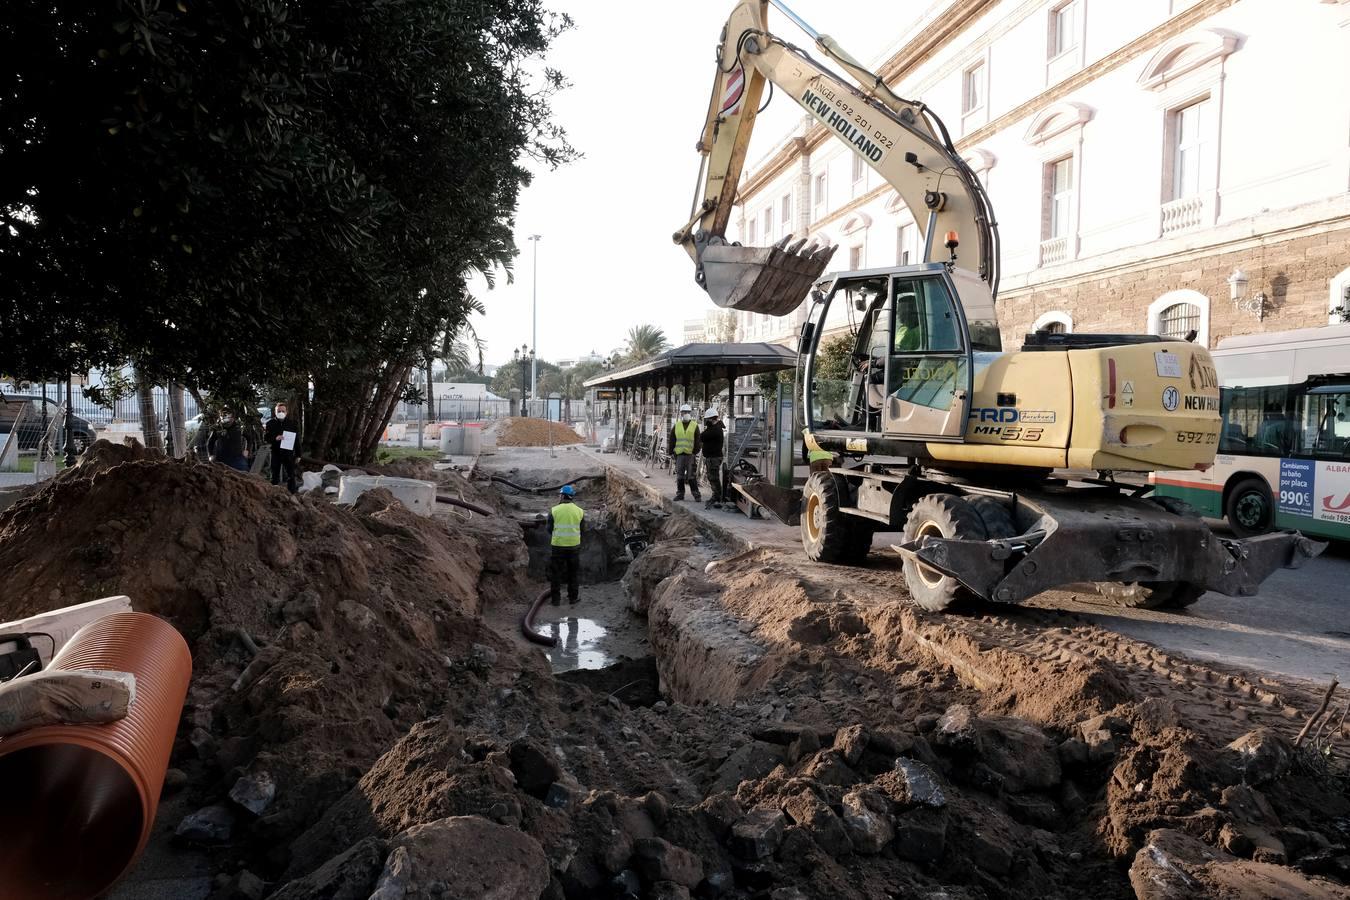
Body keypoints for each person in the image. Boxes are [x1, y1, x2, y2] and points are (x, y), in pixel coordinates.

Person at [547, 484, 584, 606]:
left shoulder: (554, 510)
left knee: (556, 573)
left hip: (558, 546)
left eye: (560, 495)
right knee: (573, 573)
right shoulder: (580, 511)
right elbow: (582, 529)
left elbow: (549, 529)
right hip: (574, 547)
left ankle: (555, 600)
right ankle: (573, 598)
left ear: (563, 496)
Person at [265, 401, 300, 493]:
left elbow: (297, 440)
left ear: (286, 412)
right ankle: (273, 493)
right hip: (276, 452)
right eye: (279, 411)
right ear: (275, 412)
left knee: (291, 475)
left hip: (288, 453)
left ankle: (292, 494)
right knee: (274, 475)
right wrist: (275, 438)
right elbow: (266, 438)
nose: (281, 413)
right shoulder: (270, 424)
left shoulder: (292, 424)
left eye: (283, 411)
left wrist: (298, 454)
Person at [670, 403, 702, 501]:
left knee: (691, 475)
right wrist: (671, 451)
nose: (686, 414)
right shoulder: (677, 426)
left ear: (690, 413)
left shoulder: (694, 425)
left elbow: (698, 440)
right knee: (680, 475)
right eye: (684, 412)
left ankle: (696, 495)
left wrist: (695, 452)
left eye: (688, 412)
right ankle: (680, 494)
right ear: (681, 413)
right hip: (679, 454)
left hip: (690, 454)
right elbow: (672, 439)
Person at [207, 408, 249, 472]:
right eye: (223, 417)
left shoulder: (239, 427)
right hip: (221, 460)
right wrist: (210, 455)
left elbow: (249, 438)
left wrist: (247, 450)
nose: (226, 419)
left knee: (243, 476)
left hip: (238, 459)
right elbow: (210, 442)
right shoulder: (218, 428)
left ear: (233, 418)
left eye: (228, 416)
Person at [700, 407, 725, 508]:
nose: (706, 421)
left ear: (711, 419)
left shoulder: (716, 429)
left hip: (714, 458)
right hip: (712, 457)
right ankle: (716, 496)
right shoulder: (714, 428)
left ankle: (717, 497)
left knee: (713, 478)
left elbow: (702, 436)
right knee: (712, 477)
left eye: (707, 419)